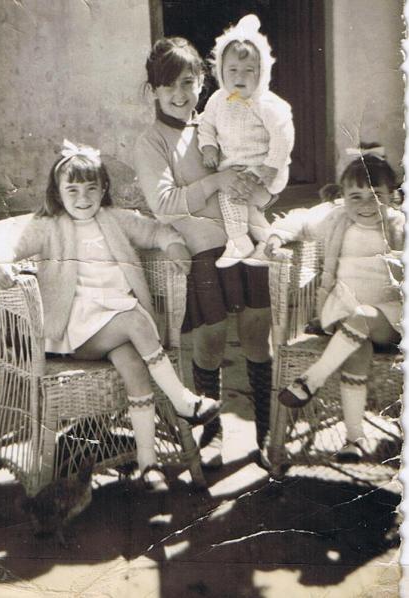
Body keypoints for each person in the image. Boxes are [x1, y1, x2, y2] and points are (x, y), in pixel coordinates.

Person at [0, 140, 221, 491]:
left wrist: (173, 245)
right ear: (57, 193)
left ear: (104, 189)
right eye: (72, 190)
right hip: (77, 331)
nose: (83, 198)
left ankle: (148, 464)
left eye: (91, 188)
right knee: (135, 320)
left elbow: (154, 230)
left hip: (115, 327)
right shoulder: (49, 226)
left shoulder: (115, 220)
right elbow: (7, 244)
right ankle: (181, 400)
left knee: (135, 368)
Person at [134, 37, 274, 469]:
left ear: (202, 82)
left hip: (244, 239)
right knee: (211, 338)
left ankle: (266, 431)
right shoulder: (151, 142)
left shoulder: (221, 122)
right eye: (169, 85)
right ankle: (212, 431)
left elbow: (254, 171)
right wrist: (215, 182)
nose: (180, 94)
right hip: (203, 250)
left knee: (256, 332)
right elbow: (163, 203)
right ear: (153, 90)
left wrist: (258, 186)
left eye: (188, 83)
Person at [266, 151, 403, 461]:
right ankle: (354, 439)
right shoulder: (336, 219)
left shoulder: (400, 225)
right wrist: (276, 236)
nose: (367, 205)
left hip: (390, 318)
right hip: (345, 311)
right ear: (343, 197)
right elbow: (299, 220)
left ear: (391, 196)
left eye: (376, 195)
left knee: (362, 318)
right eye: (356, 197)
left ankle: (311, 379)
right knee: (356, 351)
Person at [198, 14, 294, 268]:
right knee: (242, 202)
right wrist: (208, 146)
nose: (239, 77)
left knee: (233, 195)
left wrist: (271, 166)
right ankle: (267, 244)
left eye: (248, 70)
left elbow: (282, 135)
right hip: (235, 167)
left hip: (262, 169)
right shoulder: (218, 100)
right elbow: (206, 126)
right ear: (221, 71)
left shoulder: (266, 104)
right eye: (232, 70)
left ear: (261, 72)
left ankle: (239, 240)